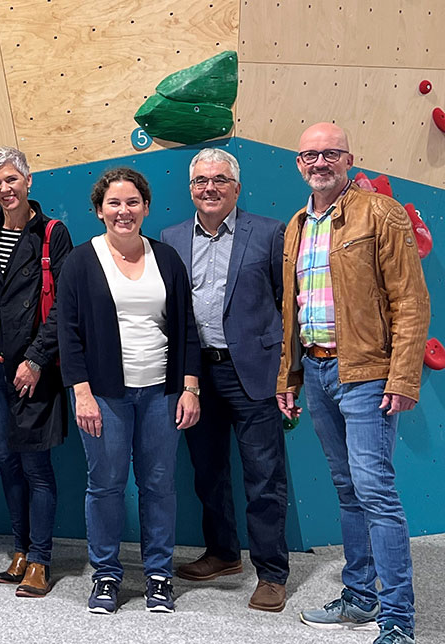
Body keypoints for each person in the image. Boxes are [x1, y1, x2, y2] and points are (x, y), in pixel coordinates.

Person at [277, 123, 428, 644]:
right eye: (309, 154)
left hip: (365, 372)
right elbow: (292, 308)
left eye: (329, 153)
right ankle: (360, 597)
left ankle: (398, 620)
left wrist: (404, 375)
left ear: (348, 158)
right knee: (348, 491)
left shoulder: (379, 212)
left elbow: (410, 301)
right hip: (317, 371)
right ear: (299, 163)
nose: (319, 162)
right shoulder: (297, 223)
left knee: (375, 490)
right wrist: (289, 374)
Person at [57, 166, 201, 615]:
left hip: (161, 392)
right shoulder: (81, 261)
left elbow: (187, 330)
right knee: (105, 486)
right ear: (99, 210)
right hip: (103, 395)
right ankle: (105, 575)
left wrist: (190, 387)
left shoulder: (167, 258)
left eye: (132, 202)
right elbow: (69, 334)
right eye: (114, 203)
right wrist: (81, 393)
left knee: (159, 485)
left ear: (146, 208)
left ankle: (159, 576)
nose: (124, 211)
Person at [160, 148, 290, 612]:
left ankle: (272, 572)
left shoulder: (270, 233)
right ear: (190, 188)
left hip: (253, 374)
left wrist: (285, 372)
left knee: (264, 476)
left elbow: (286, 306)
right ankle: (222, 553)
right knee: (207, 471)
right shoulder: (171, 238)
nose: (209, 188)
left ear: (237, 187)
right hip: (197, 375)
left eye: (219, 180)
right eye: (200, 181)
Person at [0, 146, 72, 598]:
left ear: (27, 180)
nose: (4, 189)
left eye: (11, 179)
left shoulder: (53, 234)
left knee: (36, 467)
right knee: (6, 461)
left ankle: (41, 559)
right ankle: (19, 549)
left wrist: (34, 359)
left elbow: (62, 308)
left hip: (32, 370)